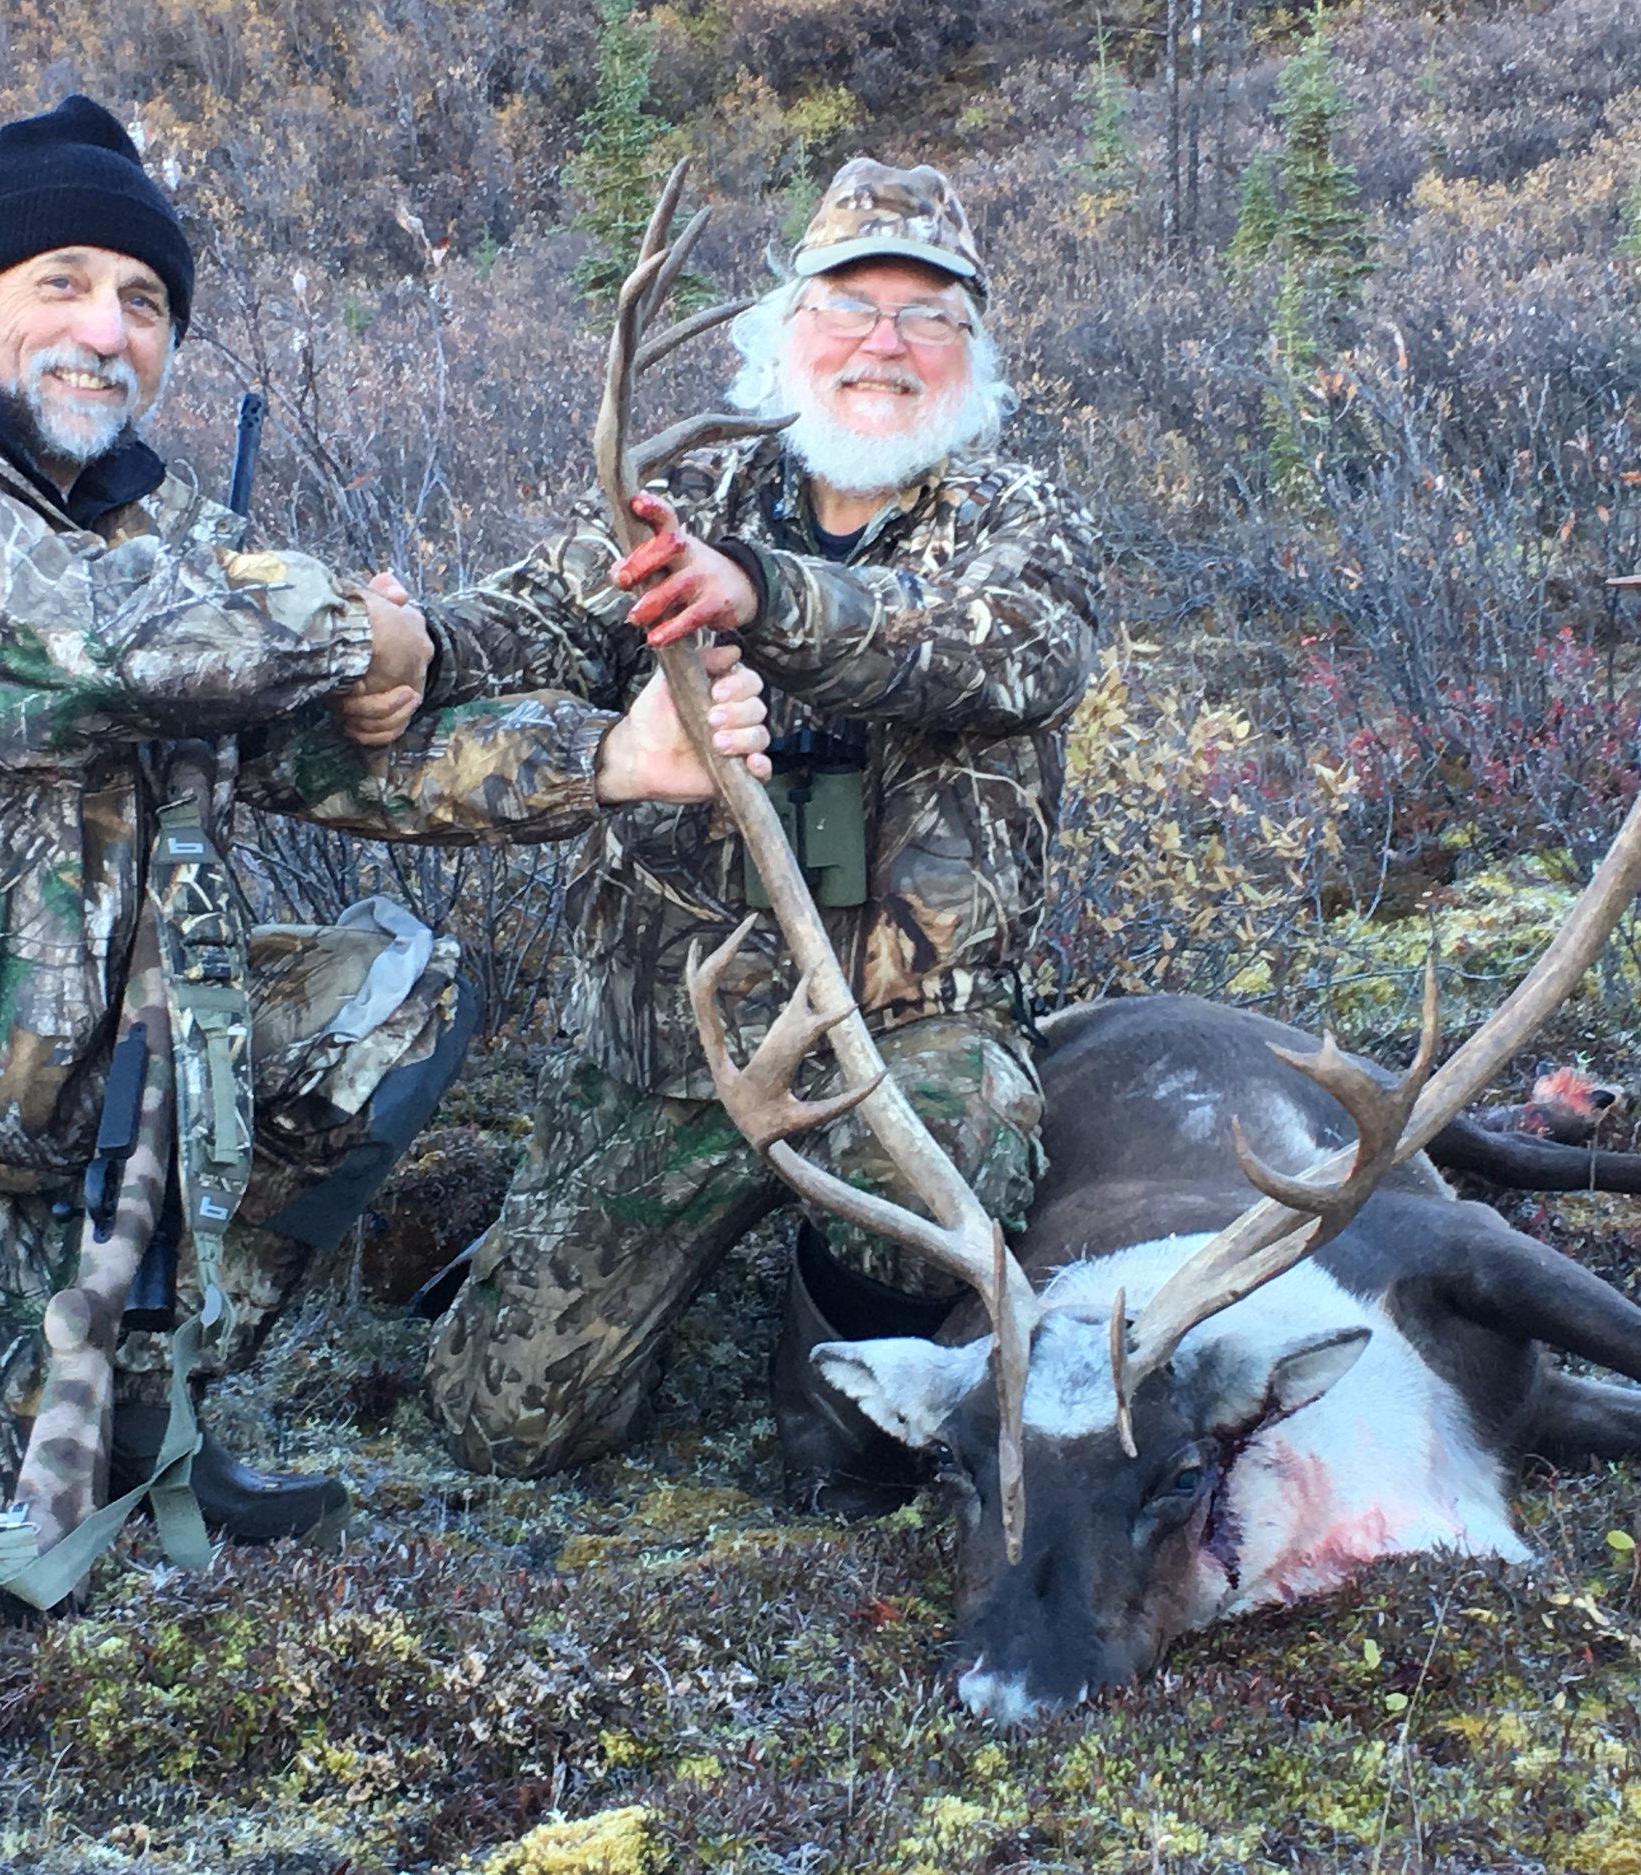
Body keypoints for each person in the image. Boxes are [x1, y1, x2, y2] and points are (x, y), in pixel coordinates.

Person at [0, 96, 772, 1576]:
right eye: (61, 282)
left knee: (386, 999)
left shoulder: (126, 521)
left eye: (145, 301)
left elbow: (312, 740)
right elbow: (93, 650)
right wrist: (366, 631)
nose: (105, 330)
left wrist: (611, 759)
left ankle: (133, 1399)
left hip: (47, 1104)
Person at [419, 159, 1103, 1507]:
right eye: (852, 308)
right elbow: (528, 620)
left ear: (975, 353)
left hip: (902, 1038)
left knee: (963, 1122)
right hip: (673, 1044)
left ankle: (837, 1363)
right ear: (783, 335)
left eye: (928, 317)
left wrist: (764, 594)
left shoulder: (1019, 524)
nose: (885, 346)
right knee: (505, 1432)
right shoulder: (682, 500)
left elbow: (1013, 655)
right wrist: (403, 643)